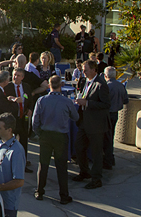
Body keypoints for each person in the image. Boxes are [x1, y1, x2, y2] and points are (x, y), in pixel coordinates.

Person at [32, 75, 78, 205]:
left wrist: (39, 133)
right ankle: (63, 195)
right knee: (61, 166)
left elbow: (35, 121)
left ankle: (40, 191)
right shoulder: (66, 102)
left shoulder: (42, 101)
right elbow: (75, 117)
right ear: (61, 85)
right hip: (61, 136)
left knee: (43, 164)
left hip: (46, 135)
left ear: (49, 85)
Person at [73, 59, 111, 190]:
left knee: (96, 153)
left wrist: (87, 103)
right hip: (84, 121)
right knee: (79, 147)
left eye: (86, 70)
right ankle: (84, 172)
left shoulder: (101, 84)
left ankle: (96, 179)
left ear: (94, 70)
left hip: (96, 125)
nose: (83, 72)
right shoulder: (85, 81)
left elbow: (106, 104)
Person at [4, 68, 33, 172]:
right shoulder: (8, 87)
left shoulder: (26, 87)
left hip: (23, 119)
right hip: (13, 119)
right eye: (14, 75)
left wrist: (30, 109)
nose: (15, 77)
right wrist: (12, 99)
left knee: (24, 142)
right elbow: (5, 99)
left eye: (18, 75)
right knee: (10, 141)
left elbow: (30, 100)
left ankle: (23, 164)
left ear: (22, 77)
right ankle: (8, 164)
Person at [104, 66, 129, 169]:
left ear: (105, 75)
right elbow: (126, 100)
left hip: (108, 114)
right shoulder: (121, 86)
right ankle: (110, 158)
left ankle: (108, 160)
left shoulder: (107, 87)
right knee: (111, 136)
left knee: (106, 138)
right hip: (116, 113)